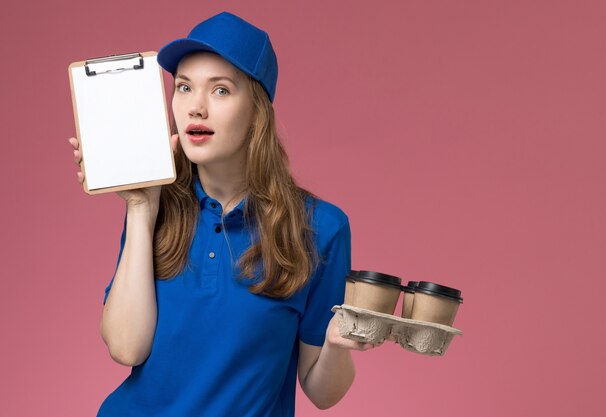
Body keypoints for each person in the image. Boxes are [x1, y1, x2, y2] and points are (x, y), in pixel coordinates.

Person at [68, 11, 377, 417]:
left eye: (220, 91)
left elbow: (322, 392)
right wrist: (141, 208)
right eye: (183, 87)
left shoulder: (321, 228)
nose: (195, 107)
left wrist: (336, 346)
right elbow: (126, 347)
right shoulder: (156, 207)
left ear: (257, 110)